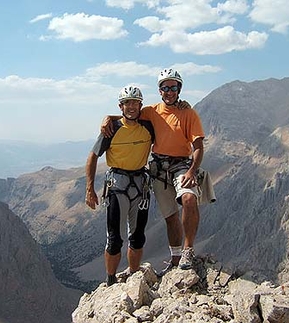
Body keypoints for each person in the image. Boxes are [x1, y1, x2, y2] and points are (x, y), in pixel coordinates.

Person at [102, 68, 206, 275]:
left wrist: (192, 171)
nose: (169, 91)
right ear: (159, 91)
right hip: (158, 169)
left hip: (181, 166)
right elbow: (130, 114)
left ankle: (188, 250)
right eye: (164, 87)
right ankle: (176, 259)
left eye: (173, 87)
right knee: (170, 216)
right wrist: (108, 118)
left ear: (179, 89)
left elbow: (199, 147)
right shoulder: (152, 111)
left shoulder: (189, 113)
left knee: (188, 199)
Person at [85, 85, 154, 286]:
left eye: (135, 102)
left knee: (138, 236)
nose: (131, 106)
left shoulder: (148, 127)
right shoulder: (111, 129)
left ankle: (133, 276)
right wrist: (89, 188)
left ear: (141, 105)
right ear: (121, 106)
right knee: (115, 239)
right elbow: (92, 157)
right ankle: (111, 281)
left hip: (141, 185)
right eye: (127, 103)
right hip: (117, 184)